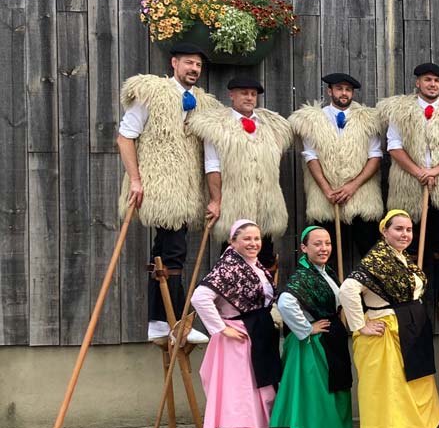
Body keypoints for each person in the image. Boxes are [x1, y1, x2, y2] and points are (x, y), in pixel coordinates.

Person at [116, 42, 220, 343]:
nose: (194, 69)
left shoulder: (202, 103)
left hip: (186, 190)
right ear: (174, 63)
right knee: (173, 250)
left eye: (198, 65)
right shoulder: (153, 93)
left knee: (165, 250)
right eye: (189, 63)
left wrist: (214, 197)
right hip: (160, 187)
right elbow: (125, 138)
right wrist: (136, 180)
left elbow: (211, 156)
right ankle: (172, 322)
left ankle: (160, 321)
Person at [338, 210, 439, 428]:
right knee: (386, 403)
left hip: (409, 333)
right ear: (385, 231)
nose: (405, 234)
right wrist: (361, 325)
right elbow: (348, 290)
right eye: (399, 229)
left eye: (409, 229)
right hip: (385, 337)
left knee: (405, 402)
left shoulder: (402, 260)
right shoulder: (376, 260)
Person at [191, 220, 282, 428]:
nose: (254, 243)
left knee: (257, 404)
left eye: (257, 238)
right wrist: (220, 328)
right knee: (236, 409)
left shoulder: (256, 267)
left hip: (256, 343)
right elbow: (200, 297)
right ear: (233, 242)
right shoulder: (229, 268)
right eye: (247, 239)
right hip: (236, 345)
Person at [379, 63, 439, 310]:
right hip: (409, 186)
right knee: (406, 239)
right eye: (428, 80)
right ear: (418, 82)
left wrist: (434, 171)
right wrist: (419, 172)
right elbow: (394, 146)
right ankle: (406, 289)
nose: (433, 85)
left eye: (437, 81)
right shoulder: (400, 111)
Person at [270, 226, 353, 428]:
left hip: (328, 346)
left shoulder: (325, 272)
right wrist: (306, 328)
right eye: (317, 244)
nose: (324, 248)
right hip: (311, 350)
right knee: (313, 406)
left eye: (327, 243)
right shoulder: (303, 276)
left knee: (328, 405)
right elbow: (285, 302)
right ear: (304, 248)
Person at [189, 76, 293, 270]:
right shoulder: (217, 126)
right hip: (235, 201)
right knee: (232, 257)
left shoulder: (272, 126)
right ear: (232, 95)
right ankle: (230, 298)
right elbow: (212, 166)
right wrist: (215, 200)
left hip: (266, 201)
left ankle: (264, 298)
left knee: (265, 256)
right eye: (244, 93)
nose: (249, 98)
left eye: (253, 94)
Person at [289, 72, 384, 267]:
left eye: (348, 90)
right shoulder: (312, 120)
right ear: (329, 91)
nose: (344, 93)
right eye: (339, 89)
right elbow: (310, 156)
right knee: (325, 250)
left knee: (369, 247)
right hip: (326, 195)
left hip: (361, 194)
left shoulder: (368, 120)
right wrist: (327, 190)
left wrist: (352, 186)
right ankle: (329, 294)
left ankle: (371, 294)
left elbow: (375, 156)